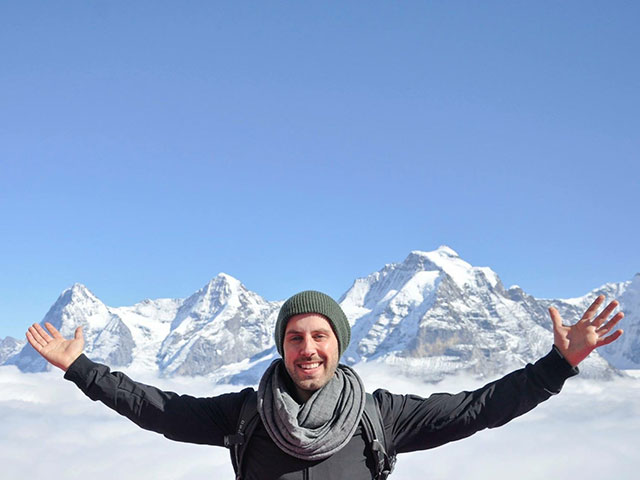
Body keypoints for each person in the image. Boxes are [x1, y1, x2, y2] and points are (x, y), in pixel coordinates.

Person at [26, 290, 624, 479]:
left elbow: (477, 408)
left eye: (319, 336)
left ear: (338, 344)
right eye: (293, 337)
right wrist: (81, 369)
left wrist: (557, 366)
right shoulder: (244, 414)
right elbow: (154, 408)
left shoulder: (379, 416)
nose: (306, 348)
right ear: (281, 346)